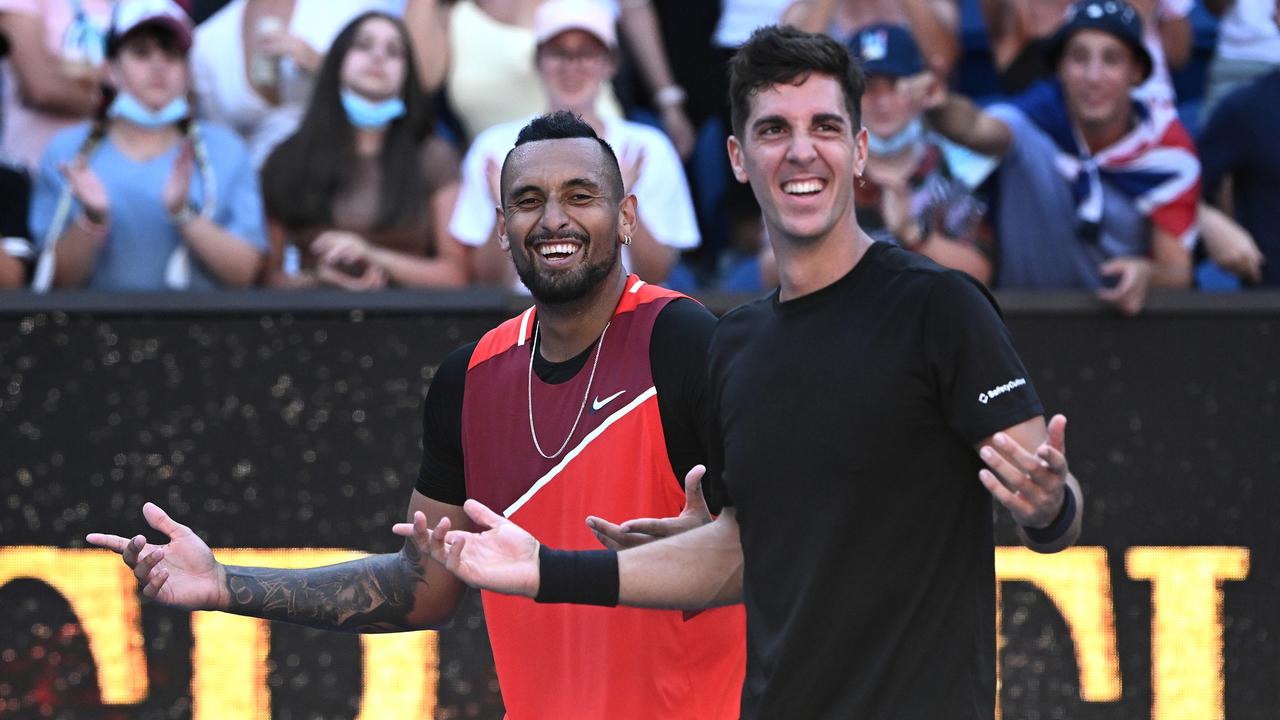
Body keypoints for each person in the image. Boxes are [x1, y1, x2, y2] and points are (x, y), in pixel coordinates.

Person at [413, 26, 1084, 719]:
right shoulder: (734, 344)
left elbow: (1051, 505)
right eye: (773, 129)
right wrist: (545, 570)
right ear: (737, 157)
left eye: (825, 126)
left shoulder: (938, 307)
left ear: (858, 152)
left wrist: (1047, 507)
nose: (801, 150)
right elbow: (738, 554)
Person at [87, 112, 746, 719]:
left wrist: (710, 539)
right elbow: (419, 588)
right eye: (528, 200)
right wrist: (223, 583)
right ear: (500, 226)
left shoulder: (682, 338)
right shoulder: (472, 377)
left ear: (627, 216)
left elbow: (770, 552)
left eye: (580, 196)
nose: (553, 220)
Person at [927, 0, 1196, 315]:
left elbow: (1178, 271)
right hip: (1016, 328)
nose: (1093, 76)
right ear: (1060, 68)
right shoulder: (1031, 119)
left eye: (1111, 59)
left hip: (1120, 338)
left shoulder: (1167, 151)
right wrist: (941, 106)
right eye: (1079, 58)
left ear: (1136, 71)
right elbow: (976, 127)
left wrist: (1148, 274)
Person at [450, 0, 698, 287]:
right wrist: (506, 213)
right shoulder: (492, 148)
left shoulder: (649, 148)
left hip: (621, 319)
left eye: (587, 54)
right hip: (525, 319)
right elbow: (487, 281)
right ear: (538, 60)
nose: (572, 67)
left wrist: (620, 202)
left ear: (610, 63)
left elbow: (656, 274)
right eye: (559, 53)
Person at [29, 0, 266, 290]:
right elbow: (54, 282)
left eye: (172, 54)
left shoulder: (226, 150)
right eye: (141, 52)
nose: (158, 66)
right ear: (110, 70)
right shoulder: (67, 152)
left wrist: (184, 214)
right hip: (90, 332)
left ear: (187, 72)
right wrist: (91, 219)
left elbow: (245, 274)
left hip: (204, 331)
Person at [259, 12, 468, 290]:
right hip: (308, 319)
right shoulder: (287, 158)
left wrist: (372, 255)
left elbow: (456, 275)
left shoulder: (434, 157)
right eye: (363, 45)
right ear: (336, 61)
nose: (378, 56)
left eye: (394, 51)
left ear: (408, 75)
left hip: (410, 320)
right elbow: (265, 278)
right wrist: (316, 282)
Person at [847, 23, 992, 284]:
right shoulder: (829, 165)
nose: (882, 102)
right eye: (868, 88)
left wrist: (912, 233)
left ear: (918, 90)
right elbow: (772, 266)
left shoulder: (946, 163)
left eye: (894, 86)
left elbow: (982, 272)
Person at [190, 0, 396, 168]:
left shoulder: (353, 8)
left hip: (343, 173)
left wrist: (318, 63)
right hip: (255, 192)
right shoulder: (207, 40)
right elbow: (219, 145)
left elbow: (394, 86)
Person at [1198, 2, 1279, 287]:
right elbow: (1177, 190)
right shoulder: (1245, 110)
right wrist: (1206, 220)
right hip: (1268, 316)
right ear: (1276, 14)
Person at [0, 0, 110, 169]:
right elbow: (41, 87)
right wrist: (123, 104)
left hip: (119, 179)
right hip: (34, 174)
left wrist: (64, 72)